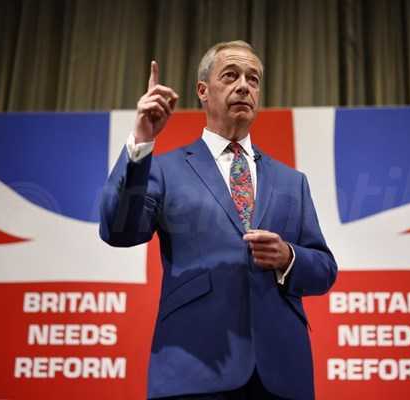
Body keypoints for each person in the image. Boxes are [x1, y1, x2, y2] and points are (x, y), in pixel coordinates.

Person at [100, 40, 337, 400]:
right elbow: (119, 230)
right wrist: (142, 141)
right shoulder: (164, 169)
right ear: (203, 91)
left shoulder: (292, 181)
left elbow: (324, 269)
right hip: (194, 368)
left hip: (282, 375)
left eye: (253, 79)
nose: (244, 86)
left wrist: (288, 257)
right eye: (230, 76)